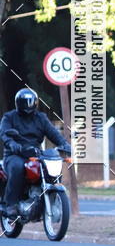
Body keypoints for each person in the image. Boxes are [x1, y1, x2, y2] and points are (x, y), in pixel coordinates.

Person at [0, 88, 71, 220]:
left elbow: (53, 134)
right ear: (18, 103)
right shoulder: (9, 117)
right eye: (25, 102)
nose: (28, 105)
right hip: (14, 154)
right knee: (17, 167)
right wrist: (12, 144)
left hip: (36, 154)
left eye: (30, 102)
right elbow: (4, 133)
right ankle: (11, 204)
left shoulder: (41, 118)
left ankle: (49, 198)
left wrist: (65, 145)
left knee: (51, 167)